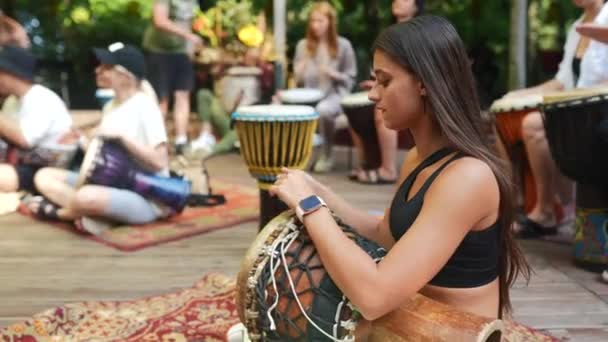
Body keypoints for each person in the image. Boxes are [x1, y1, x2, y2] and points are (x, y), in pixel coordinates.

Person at [270, 16, 529, 319]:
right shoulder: (418, 158)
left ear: (423, 83)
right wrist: (320, 191)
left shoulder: (468, 177)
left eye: (385, 80)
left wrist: (309, 206)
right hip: (412, 323)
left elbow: (374, 297)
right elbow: (386, 235)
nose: (372, 94)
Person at [27, 43, 170, 232]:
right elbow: (105, 158)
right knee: (44, 176)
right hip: (108, 183)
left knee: (85, 196)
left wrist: (122, 137)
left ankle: (62, 213)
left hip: (144, 195)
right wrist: (80, 140)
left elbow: (160, 162)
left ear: (125, 76)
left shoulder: (145, 107)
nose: (98, 70)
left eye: (106, 67)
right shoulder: (110, 106)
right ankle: (99, 216)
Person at [504, 0, 608, 238]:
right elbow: (561, 81)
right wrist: (519, 94)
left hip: (600, 112)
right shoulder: (576, 27)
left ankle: (558, 207)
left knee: (534, 124)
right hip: (576, 114)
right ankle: (543, 207)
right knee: (528, 121)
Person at [351, 0, 424, 184]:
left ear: (417, 6)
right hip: (393, 87)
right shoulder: (388, 33)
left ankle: (388, 169)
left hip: (414, 89)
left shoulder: (423, 33)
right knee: (354, 110)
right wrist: (377, 82)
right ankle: (367, 163)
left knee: (380, 111)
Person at [293, 1, 357, 173]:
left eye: (320, 21)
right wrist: (299, 70)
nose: (315, 25)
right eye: (313, 21)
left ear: (330, 22)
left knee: (324, 109)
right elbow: (298, 83)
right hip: (309, 96)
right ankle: (297, 156)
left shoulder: (343, 45)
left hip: (335, 94)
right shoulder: (302, 46)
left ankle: (327, 155)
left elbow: (350, 78)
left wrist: (333, 73)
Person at [0, 45, 72, 194]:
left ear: (12, 74)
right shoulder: (12, 101)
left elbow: (25, 139)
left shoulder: (41, 98)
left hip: (47, 170)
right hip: (21, 164)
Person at [142, 0, 203, 155]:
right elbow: (160, 20)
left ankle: (181, 141)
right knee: (161, 99)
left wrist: (189, 49)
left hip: (181, 53)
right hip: (159, 52)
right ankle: (156, 141)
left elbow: (187, 21)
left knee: (183, 94)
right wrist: (188, 36)